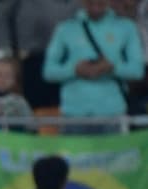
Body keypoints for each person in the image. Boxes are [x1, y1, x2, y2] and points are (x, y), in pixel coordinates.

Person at [43, 0, 145, 133]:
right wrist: (74, 70)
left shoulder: (126, 28)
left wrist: (112, 68)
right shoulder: (66, 29)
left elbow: (137, 71)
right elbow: (48, 71)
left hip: (112, 113)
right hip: (74, 114)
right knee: (74, 155)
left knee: (115, 154)